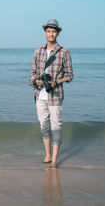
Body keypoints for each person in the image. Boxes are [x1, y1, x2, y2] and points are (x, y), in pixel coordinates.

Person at [29, 19, 74, 168]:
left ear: (58, 33)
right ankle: (47, 155)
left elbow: (70, 75)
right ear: (45, 33)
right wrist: (36, 81)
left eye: (54, 31)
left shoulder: (64, 52)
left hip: (55, 95)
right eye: (48, 31)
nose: (51, 34)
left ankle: (55, 159)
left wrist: (55, 82)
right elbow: (33, 72)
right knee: (44, 125)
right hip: (40, 95)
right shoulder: (38, 51)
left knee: (56, 126)